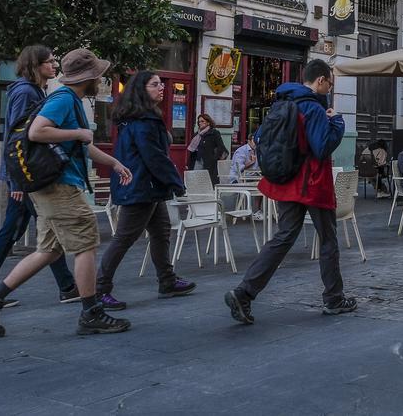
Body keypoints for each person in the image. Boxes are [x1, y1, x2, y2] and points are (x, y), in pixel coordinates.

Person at [0, 49, 134, 337]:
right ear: (89, 77)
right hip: (59, 186)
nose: (102, 79)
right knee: (86, 245)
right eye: (99, 75)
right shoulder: (64, 99)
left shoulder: (70, 100)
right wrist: (78, 134)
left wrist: (114, 163)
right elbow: (38, 132)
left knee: (48, 250)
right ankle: (91, 312)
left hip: (51, 186)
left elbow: (82, 146)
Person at [224, 59, 354, 324]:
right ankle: (334, 298)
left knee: (283, 237)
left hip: (286, 180)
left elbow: (258, 138)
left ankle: (244, 292)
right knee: (328, 239)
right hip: (313, 183)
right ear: (320, 81)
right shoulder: (314, 109)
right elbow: (322, 147)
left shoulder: (282, 103)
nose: (329, 88)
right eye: (329, 82)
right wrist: (337, 123)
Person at [0, 45, 78, 308]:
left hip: (26, 176)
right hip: (25, 177)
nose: (55, 66)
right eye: (50, 62)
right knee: (13, 232)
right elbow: (16, 137)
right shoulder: (25, 92)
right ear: (36, 65)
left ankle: (67, 287)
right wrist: (16, 179)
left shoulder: (36, 90)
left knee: (38, 231)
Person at [95, 71, 196, 310]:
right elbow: (154, 156)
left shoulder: (137, 118)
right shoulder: (144, 121)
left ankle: (167, 281)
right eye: (155, 84)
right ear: (142, 90)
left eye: (161, 83)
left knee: (161, 232)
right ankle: (99, 289)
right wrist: (175, 182)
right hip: (140, 186)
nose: (161, 87)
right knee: (124, 238)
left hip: (145, 186)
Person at [188, 113, 228, 185]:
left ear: (208, 122)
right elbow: (192, 149)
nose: (200, 123)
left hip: (209, 161)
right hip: (198, 160)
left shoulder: (214, 133)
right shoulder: (197, 135)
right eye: (199, 122)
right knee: (197, 180)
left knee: (208, 181)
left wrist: (214, 158)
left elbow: (220, 147)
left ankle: (208, 195)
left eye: (202, 121)